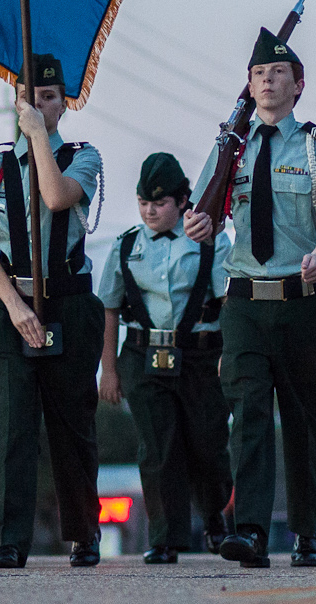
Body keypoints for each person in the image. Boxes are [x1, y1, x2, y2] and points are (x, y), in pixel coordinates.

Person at [183, 28, 316, 568]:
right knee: (249, 414)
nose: (267, 81)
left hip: (299, 295)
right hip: (243, 302)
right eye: (259, 73)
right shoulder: (229, 147)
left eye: (278, 72)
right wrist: (198, 224)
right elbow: (204, 215)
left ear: (298, 85)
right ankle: (253, 531)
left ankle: (306, 532)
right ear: (249, 85)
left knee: (303, 418)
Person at [0, 53, 105, 569]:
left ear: (62, 104)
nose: (39, 103)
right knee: (11, 426)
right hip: (10, 302)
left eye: (49, 97)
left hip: (69, 301)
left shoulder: (81, 155)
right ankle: (8, 539)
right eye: (30, 95)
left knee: (72, 424)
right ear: (17, 98)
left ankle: (83, 531)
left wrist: (38, 138)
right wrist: (14, 306)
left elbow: (54, 197)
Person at [98, 152, 233, 564]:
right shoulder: (126, 247)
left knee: (207, 445)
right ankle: (165, 537)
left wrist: (230, 356)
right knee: (157, 448)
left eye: (159, 203)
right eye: (143, 202)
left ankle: (214, 517)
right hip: (142, 355)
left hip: (199, 356)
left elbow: (227, 302)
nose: (150, 211)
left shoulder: (209, 242)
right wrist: (108, 369)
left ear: (182, 202)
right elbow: (109, 307)